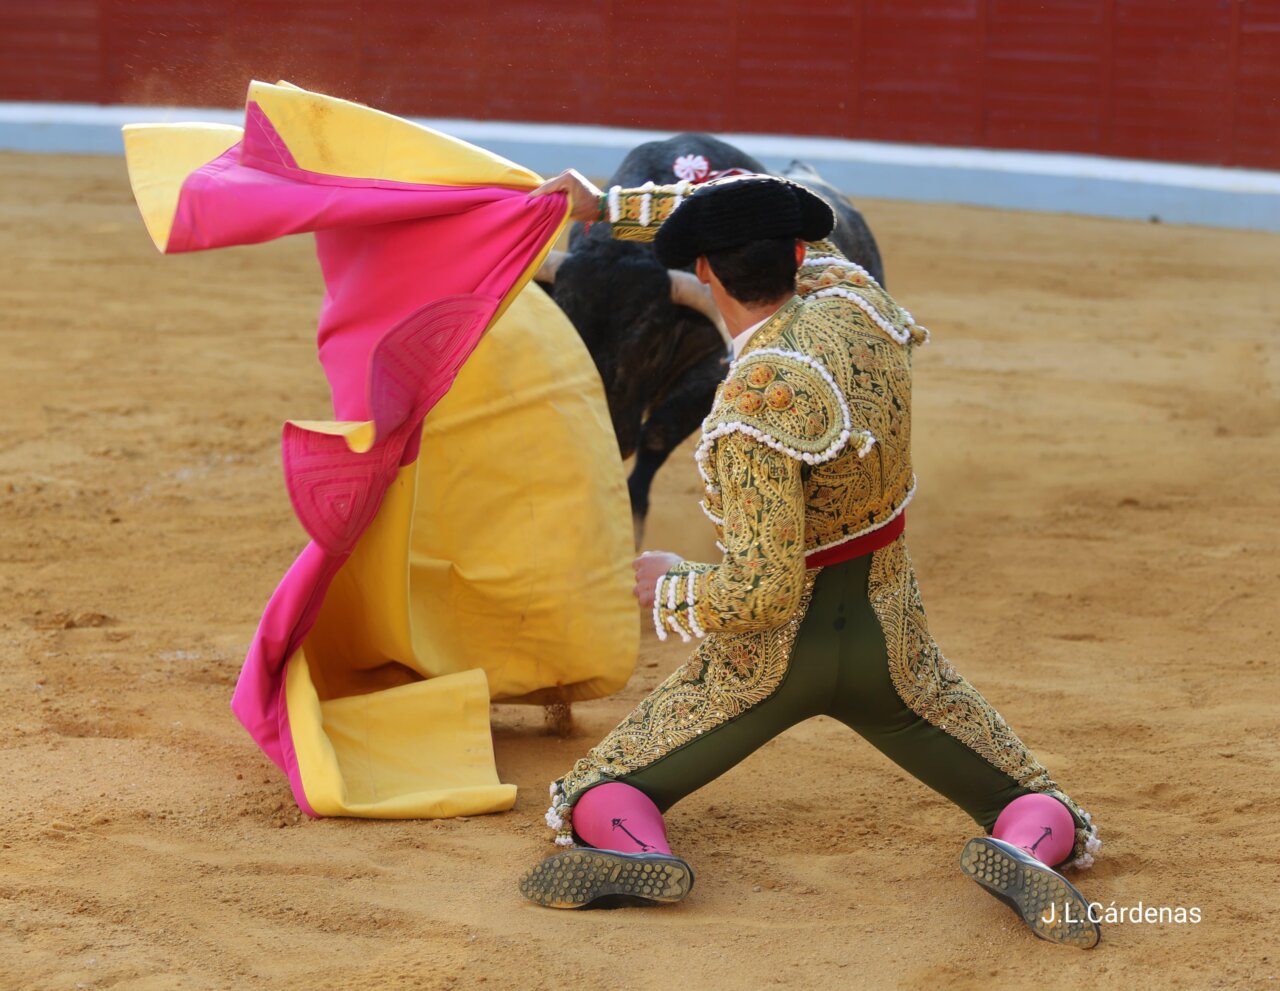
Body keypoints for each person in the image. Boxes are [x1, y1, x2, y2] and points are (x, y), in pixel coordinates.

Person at [518, 170, 1102, 948]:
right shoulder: (855, 300)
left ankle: (640, 851)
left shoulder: (750, 403)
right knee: (1030, 794)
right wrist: (612, 206)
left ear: (704, 270)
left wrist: (673, 584)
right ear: (797, 252)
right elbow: (761, 197)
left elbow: (763, 590)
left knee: (598, 791)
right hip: (890, 638)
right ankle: (1025, 848)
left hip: (767, 663)